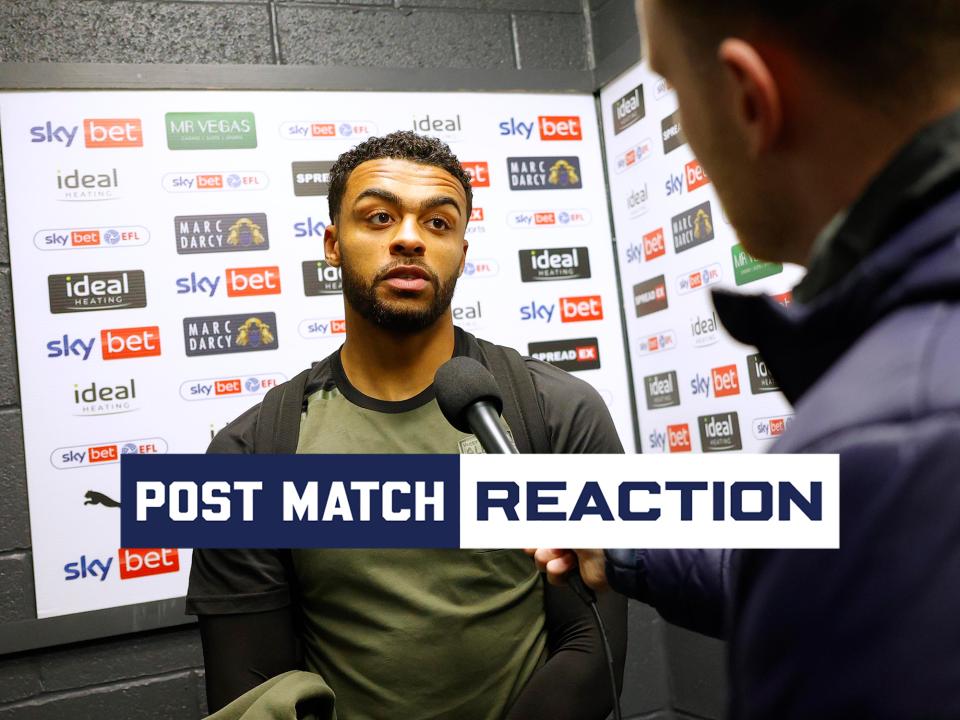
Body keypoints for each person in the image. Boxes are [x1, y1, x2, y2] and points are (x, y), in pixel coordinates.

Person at [534, 1, 960, 717]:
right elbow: (836, 558)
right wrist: (629, 540)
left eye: (670, 90)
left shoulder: (897, 444)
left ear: (750, 100)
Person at [186, 131, 627, 719]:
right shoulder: (250, 455)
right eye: (378, 217)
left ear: (462, 254)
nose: (410, 238)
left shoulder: (557, 412)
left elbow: (591, 642)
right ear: (333, 243)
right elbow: (254, 689)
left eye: (439, 223)